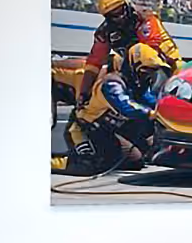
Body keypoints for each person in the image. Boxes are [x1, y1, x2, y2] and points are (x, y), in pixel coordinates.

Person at [53, 43, 170, 176]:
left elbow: (153, 102)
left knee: (135, 161)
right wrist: (152, 113)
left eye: (152, 72)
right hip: (84, 130)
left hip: (106, 132)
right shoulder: (111, 84)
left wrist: (170, 109)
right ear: (132, 66)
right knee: (87, 165)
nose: (149, 76)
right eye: (146, 71)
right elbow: (126, 106)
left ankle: (104, 157)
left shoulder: (138, 88)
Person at [78, 0, 181, 107]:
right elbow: (94, 62)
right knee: (113, 62)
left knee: (139, 51)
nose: (119, 16)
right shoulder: (104, 33)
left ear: (126, 4)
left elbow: (152, 45)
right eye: (113, 14)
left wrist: (127, 70)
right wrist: (84, 92)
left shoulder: (145, 17)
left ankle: (157, 96)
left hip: (167, 60)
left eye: (120, 9)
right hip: (134, 65)